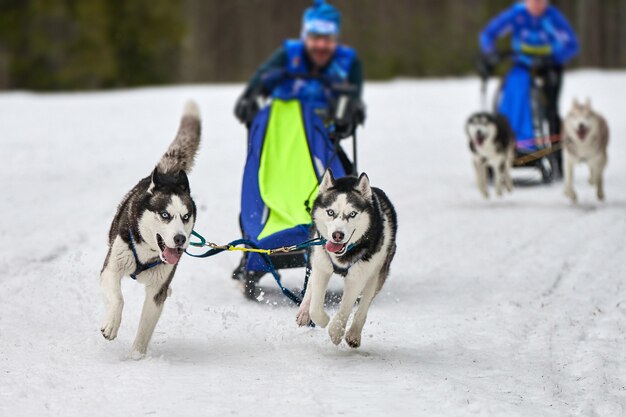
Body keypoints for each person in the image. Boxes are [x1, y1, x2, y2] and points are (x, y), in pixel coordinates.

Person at [234, 0, 365, 173]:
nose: (321, 45)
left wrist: (348, 118)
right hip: (282, 142)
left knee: (348, 180)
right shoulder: (288, 55)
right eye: (315, 37)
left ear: (336, 39)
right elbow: (256, 86)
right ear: (306, 37)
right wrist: (251, 102)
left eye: (328, 39)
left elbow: (354, 105)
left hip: (325, 143)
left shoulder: (348, 62)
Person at [477, 0, 579, 161]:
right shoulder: (517, 15)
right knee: (514, 89)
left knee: (551, 109)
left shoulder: (552, 17)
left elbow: (571, 44)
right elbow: (488, 34)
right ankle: (509, 139)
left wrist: (554, 58)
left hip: (549, 66)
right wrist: (490, 52)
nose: (537, 4)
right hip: (522, 64)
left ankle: (555, 158)